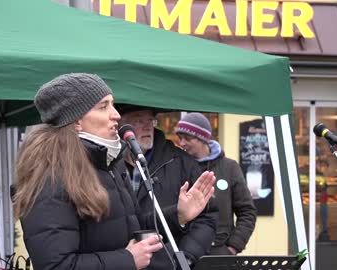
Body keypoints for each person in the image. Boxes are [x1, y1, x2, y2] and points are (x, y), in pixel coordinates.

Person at [13, 73, 216, 270]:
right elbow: (55, 265)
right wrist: (128, 260)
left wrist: (179, 215)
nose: (116, 115)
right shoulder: (50, 175)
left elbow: (130, 226)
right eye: (103, 107)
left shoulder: (109, 164)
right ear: (76, 121)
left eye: (112, 104)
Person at [119, 105, 219, 266]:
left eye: (150, 120)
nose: (147, 126)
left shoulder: (182, 162)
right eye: (138, 120)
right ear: (120, 127)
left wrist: (186, 256)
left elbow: (208, 216)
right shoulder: (108, 164)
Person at [176, 112, 257, 255]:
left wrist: (233, 247)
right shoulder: (176, 167)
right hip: (184, 253)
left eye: (187, 138)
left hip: (219, 252)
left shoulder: (229, 168)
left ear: (203, 139)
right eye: (180, 138)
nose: (181, 143)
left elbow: (247, 211)